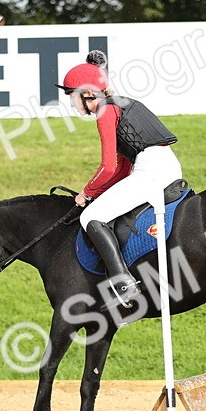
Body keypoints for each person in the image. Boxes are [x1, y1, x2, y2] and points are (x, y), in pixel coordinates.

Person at [58, 51, 181, 308]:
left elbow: (108, 165)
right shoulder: (118, 104)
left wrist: (87, 192)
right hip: (164, 166)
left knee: (89, 217)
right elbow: (122, 167)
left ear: (87, 93)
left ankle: (123, 285)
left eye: (72, 96)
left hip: (151, 172)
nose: (71, 103)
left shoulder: (105, 111)